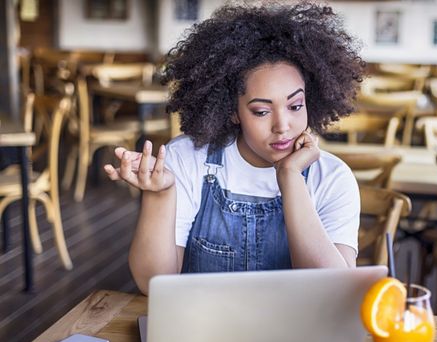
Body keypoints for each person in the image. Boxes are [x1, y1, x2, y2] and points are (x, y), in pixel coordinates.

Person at [104, 1, 366, 295]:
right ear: (233, 111)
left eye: (295, 106)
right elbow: (154, 284)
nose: (283, 126)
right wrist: (160, 195)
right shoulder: (188, 159)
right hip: (202, 334)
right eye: (261, 111)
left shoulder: (331, 177)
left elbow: (335, 291)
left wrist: (290, 177)